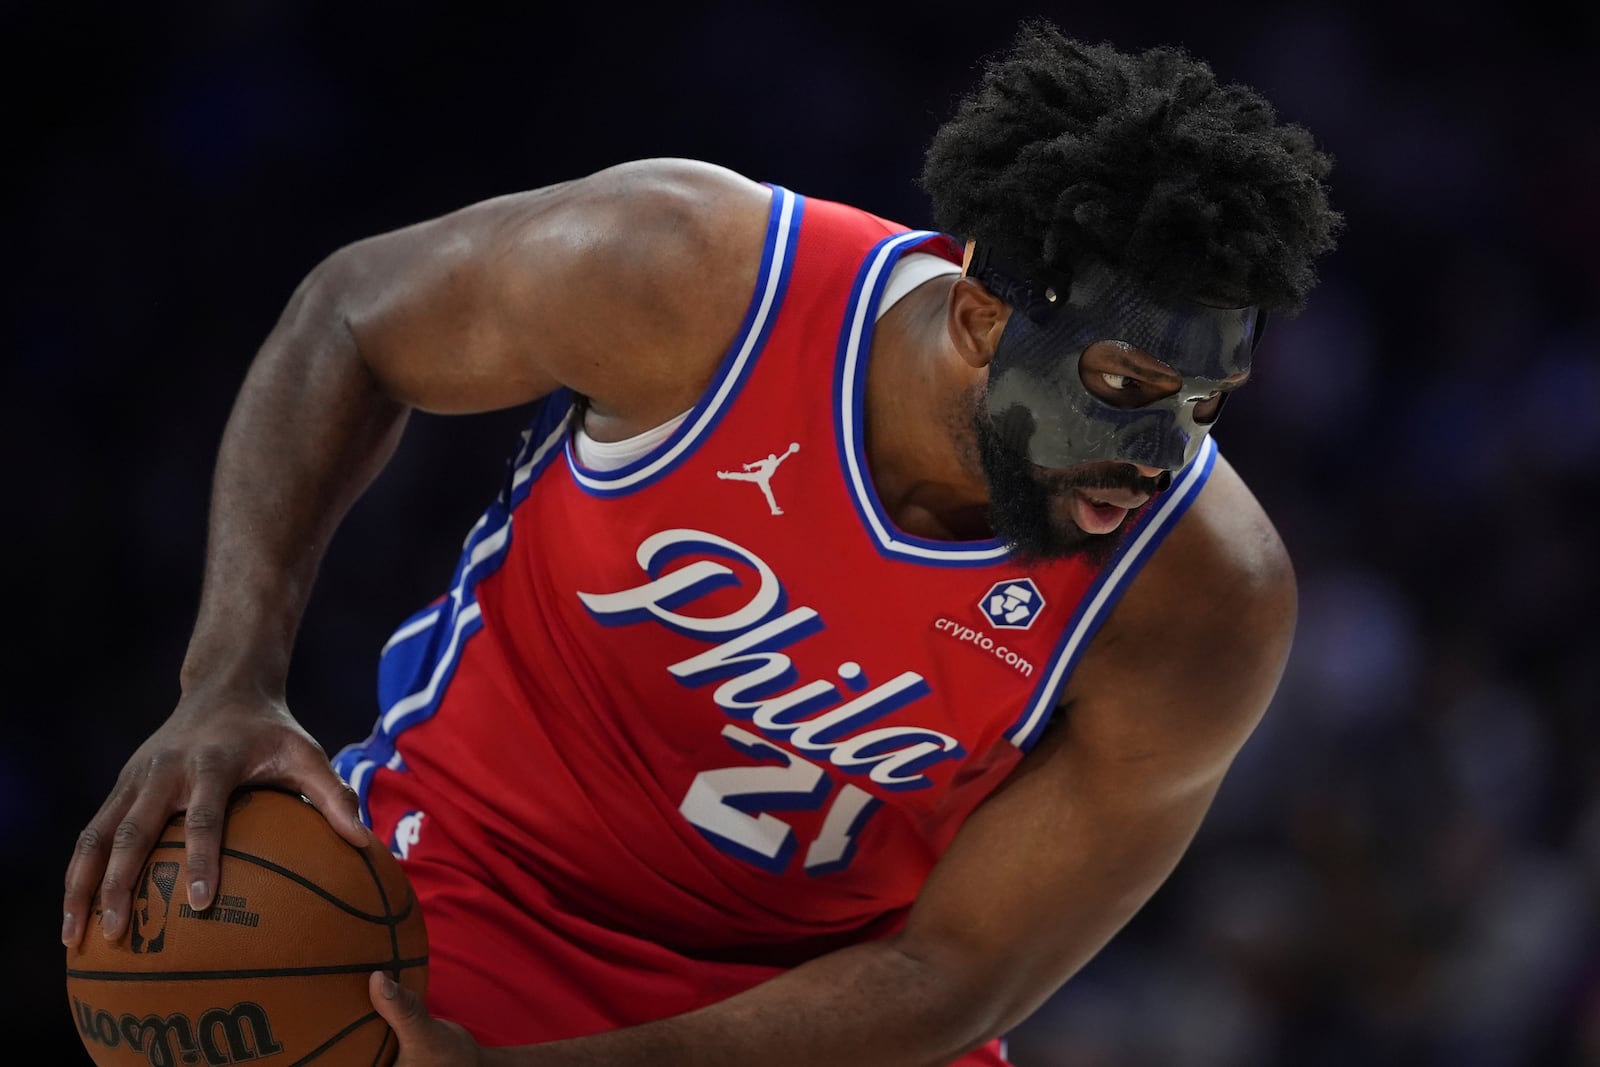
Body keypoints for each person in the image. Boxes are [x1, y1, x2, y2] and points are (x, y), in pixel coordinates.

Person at [62, 21, 1341, 1066]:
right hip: (470, 892)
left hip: (826, 1005)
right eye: (1123, 384)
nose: (1166, 448)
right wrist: (229, 673)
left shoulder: (1200, 596)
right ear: (977, 314)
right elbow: (350, 319)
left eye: (1205, 403)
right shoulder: (689, 279)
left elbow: (954, 970)